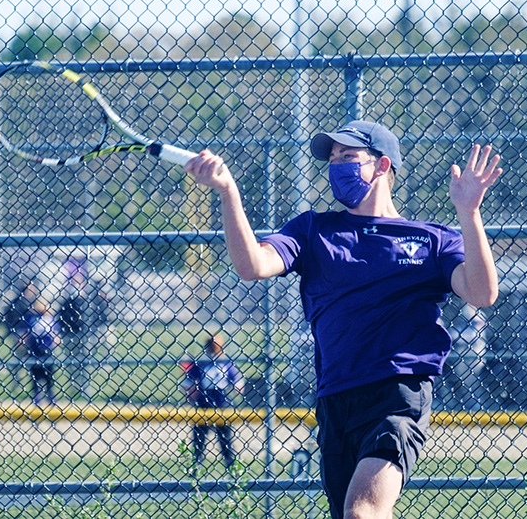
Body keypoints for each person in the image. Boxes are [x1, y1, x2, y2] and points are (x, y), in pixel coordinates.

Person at [183, 119, 502, 519]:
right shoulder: (314, 230)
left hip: (397, 394)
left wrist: (469, 213)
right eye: (333, 158)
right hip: (335, 400)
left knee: (362, 511)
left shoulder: (431, 239)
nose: (337, 166)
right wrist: (228, 191)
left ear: (382, 166)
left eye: (349, 157)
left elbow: (481, 292)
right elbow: (252, 265)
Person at [181, 332, 245, 475]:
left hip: (205, 405)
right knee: (224, 442)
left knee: (201, 441)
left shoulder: (202, 364)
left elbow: (187, 385)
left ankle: (196, 468)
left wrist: (191, 392)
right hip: (221, 404)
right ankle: (231, 469)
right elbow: (239, 386)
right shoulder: (226, 364)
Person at [55, 258, 109, 401]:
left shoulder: (88, 301)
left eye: (78, 282)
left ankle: (85, 389)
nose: (76, 285)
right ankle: (74, 388)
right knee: (71, 362)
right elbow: (61, 316)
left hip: (83, 335)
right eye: (74, 282)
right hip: (69, 334)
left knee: (84, 362)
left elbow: (95, 316)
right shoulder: (66, 300)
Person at [4, 280, 61, 404]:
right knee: (35, 374)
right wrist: (22, 343)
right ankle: (37, 396)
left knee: (48, 374)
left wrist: (56, 341)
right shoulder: (30, 318)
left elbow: (56, 333)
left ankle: (50, 396)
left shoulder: (49, 318)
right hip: (35, 349)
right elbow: (25, 333)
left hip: (47, 349)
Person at [442, 304, 488, 410]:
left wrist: (459, 336)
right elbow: (453, 334)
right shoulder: (460, 319)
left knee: (474, 382)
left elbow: (473, 336)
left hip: (475, 355)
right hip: (461, 355)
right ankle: (467, 405)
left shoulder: (479, 317)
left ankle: (477, 405)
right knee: (463, 384)